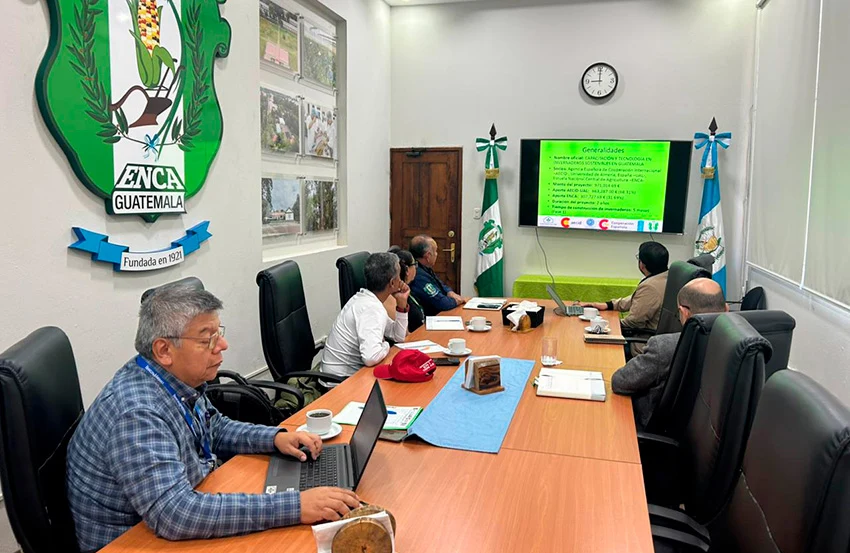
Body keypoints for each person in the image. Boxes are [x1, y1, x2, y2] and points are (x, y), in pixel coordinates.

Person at [66, 284, 359, 552]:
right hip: (132, 542)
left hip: (170, 514)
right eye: (208, 339)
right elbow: (176, 515)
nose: (223, 346)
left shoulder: (171, 378)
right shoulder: (137, 413)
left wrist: (275, 437)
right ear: (164, 349)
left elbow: (214, 427)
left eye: (219, 333)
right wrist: (296, 506)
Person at [611, 278, 728, 429]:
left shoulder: (665, 347)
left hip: (644, 428)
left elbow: (620, 382)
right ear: (726, 309)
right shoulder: (734, 348)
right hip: (699, 435)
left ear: (684, 312)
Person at [320, 252, 410, 382]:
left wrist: (401, 304)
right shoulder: (371, 308)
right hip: (338, 383)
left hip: (347, 375)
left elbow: (398, 336)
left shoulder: (367, 300)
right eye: (399, 276)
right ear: (392, 283)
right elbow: (371, 357)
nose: (401, 281)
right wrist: (385, 346)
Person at [582, 241, 669, 355]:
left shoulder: (650, 287)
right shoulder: (664, 277)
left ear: (642, 264)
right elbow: (636, 299)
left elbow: (633, 322)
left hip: (642, 344)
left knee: (594, 346)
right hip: (655, 340)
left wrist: (608, 326)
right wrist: (609, 305)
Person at [409, 235, 468, 316]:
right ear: (428, 256)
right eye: (435, 251)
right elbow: (442, 303)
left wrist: (450, 293)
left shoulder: (424, 268)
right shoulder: (418, 275)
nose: (436, 254)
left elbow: (440, 284)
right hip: (427, 321)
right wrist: (457, 301)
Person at [384, 246, 425, 332]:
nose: (416, 268)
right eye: (415, 265)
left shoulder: (406, 289)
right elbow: (403, 334)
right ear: (407, 270)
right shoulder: (390, 297)